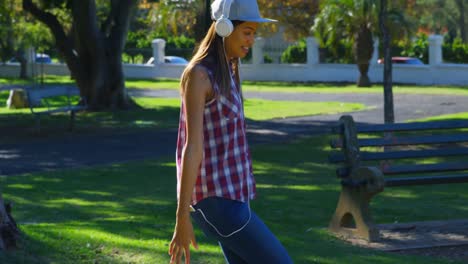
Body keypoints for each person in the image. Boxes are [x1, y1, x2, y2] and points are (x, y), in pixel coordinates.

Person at [168, 0, 292, 263]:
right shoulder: (200, 75)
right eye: (247, 32)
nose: (251, 40)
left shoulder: (231, 69)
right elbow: (191, 147)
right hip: (218, 202)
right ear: (224, 28)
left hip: (235, 197)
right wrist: (181, 217)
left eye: (254, 33)